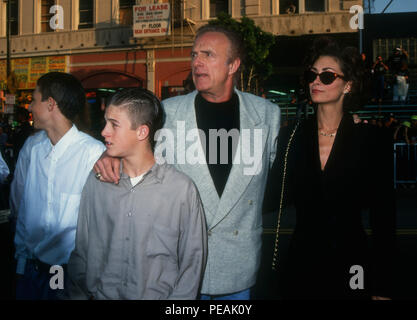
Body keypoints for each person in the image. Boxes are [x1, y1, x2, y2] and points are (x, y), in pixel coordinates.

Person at [93, 25, 281, 300]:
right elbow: (130, 146)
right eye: (194, 55)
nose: (197, 62)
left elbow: (280, 169)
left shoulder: (267, 115)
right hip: (176, 265)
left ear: (233, 65)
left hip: (238, 265)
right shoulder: (166, 112)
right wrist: (109, 154)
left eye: (208, 54)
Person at [263, 37, 396, 300]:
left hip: (352, 265)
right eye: (312, 75)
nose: (315, 81)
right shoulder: (293, 136)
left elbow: (384, 218)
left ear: (348, 85)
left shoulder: (371, 139)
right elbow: (272, 197)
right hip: (301, 266)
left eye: (327, 77)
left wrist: (382, 285)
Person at [67, 88, 207, 300]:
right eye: (106, 122)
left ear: (142, 132)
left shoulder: (180, 190)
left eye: (114, 124)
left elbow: (192, 265)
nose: (104, 131)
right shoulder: (98, 181)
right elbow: (82, 251)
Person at [10, 72, 106, 300]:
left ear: (50, 104)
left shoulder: (92, 153)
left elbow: (101, 222)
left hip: (66, 272)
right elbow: (18, 204)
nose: (31, 107)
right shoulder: (32, 148)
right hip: (29, 268)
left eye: (34, 100)